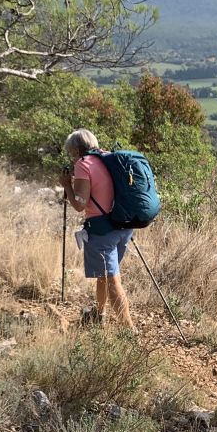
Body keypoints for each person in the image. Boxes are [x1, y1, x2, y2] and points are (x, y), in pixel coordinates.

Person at [59, 128, 135, 327]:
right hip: (123, 226)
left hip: (102, 231)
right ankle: (98, 314)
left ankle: (129, 330)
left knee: (112, 280)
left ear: (76, 150)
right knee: (104, 274)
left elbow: (79, 204)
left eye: (71, 153)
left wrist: (67, 185)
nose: (72, 157)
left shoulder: (83, 165)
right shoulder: (108, 158)